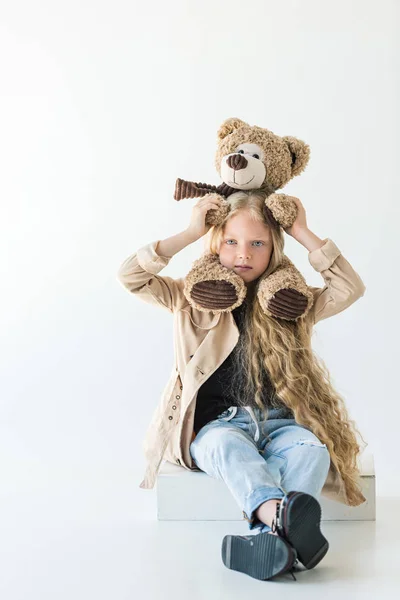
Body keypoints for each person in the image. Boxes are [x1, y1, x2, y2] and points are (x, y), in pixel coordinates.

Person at [117, 190, 367, 582]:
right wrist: (188, 233)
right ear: (216, 243)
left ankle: (267, 543)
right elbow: (131, 275)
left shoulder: (291, 303)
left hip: (280, 423)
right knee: (227, 448)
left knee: (313, 452)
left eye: (257, 244)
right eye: (231, 242)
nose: (243, 254)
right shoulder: (188, 297)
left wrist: (301, 230)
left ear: (273, 249)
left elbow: (348, 288)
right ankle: (279, 520)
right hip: (219, 426)